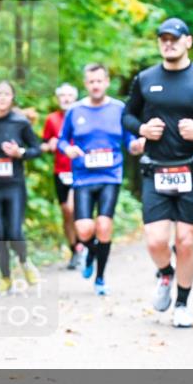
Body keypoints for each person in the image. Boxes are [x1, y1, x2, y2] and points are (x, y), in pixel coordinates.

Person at [122, 17, 193, 328]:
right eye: (163, 38)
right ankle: (165, 273)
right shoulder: (145, 79)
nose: (168, 43)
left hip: (192, 169)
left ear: (188, 41)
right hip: (156, 170)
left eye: (174, 38)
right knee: (156, 241)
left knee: (186, 242)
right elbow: (127, 116)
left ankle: (183, 304)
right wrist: (142, 128)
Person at [58, 63, 137, 296]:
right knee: (84, 229)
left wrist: (136, 145)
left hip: (110, 176)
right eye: (91, 82)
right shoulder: (75, 111)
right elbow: (63, 140)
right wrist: (67, 150)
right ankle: (91, 252)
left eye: (99, 81)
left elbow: (129, 140)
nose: (95, 85)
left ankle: (100, 277)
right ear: (86, 84)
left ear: (107, 82)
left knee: (104, 226)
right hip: (83, 177)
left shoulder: (119, 108)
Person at [0, 81, 42, 294]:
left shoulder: (20, 123)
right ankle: (5, 278)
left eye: (6, 94)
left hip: (14, 185)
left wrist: (19, 153)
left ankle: (23, 260)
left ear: (12, 98)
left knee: (13, 230)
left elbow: (37, 149)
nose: (2, 98)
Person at [41, 83, 81, 269]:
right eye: (62, 96)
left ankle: (85, 245)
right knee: (66, 213)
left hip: (81, 171)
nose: (65, 99)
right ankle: (74, 250)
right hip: (61, 172)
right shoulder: (52, 119)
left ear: (75, 98)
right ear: (58, 99)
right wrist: (49, 145)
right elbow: (44, 144)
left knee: (76, 210)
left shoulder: (82, 115)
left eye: (69, 95)